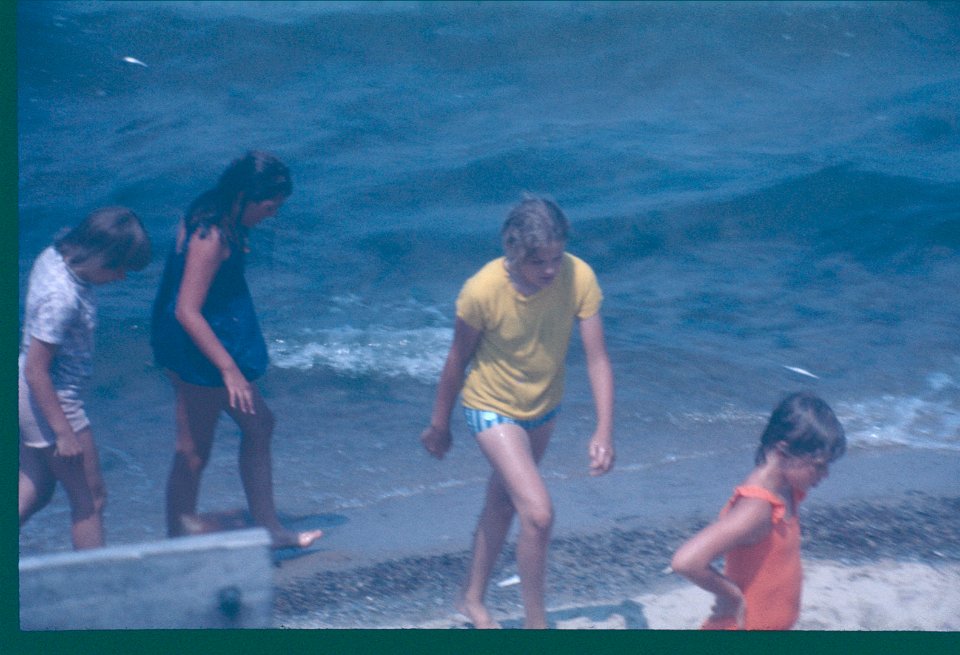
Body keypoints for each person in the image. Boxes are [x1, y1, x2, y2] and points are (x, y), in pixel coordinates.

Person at [420, 196, 615, 629]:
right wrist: (439, 423)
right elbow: (457, 359)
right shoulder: (482, 290)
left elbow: (598, 358)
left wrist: (603, 429)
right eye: (537, 261)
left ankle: (470, 599)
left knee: (504, 502)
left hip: (544, 407)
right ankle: (536, 626)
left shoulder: (578, 276)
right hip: (490, 407)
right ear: (513, 250)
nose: (549, 270)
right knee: (539, 513)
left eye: (555, 257)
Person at [150, 151, 321, 549]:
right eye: (269, 206)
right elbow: (186, 311)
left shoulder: (215, 214)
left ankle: (268, 529)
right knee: (192, 452)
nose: (272, 214)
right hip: (198, 350)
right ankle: (178, 543)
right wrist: (229, 370)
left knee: (258, 425)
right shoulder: (210, 235)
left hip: (207, 341)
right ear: (244, 195)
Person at [19, 207, 152, 549]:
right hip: (52, 398)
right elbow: (38, 370)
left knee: (36, 488)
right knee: (91, 499)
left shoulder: (55, 255)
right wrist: (64, 433)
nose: (121, 277)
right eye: (118, 268)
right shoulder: (62, 297)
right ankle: (97, 587)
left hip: (32, 394)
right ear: (100, 256)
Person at [670, 392, 846, 630]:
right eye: (819, 466)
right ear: (783, 452)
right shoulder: (757, 508)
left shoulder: (786, 489)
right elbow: (686, 561)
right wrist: (731, 596)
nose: (825, 475)